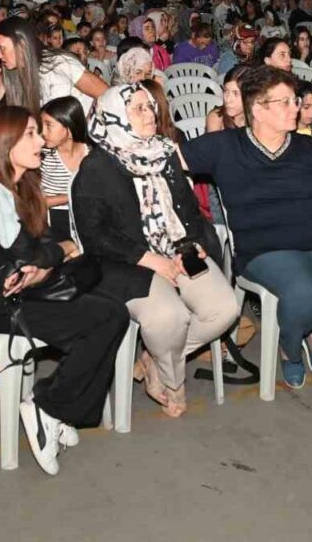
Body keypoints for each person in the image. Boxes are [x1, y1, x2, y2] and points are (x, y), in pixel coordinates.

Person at [0, 106, 129, 475]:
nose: (42, 141)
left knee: (112, 311)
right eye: (30, 134)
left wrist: (49, 257)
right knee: (102, 319)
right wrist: (62, 251)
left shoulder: (22, 184)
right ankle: (47, 406)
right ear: (4, 141)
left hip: (24, 289)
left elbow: (41, 249)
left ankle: (58, 408)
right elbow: (32, 252)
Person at [181, 65, 312, 389]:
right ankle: (291, 351)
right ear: (258, 109)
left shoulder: (308, 147)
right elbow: (167, 163)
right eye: (285, 102)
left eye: (295, 100)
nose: (296, 108)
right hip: (265, 250)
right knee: (306, 294)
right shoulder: (224, 146)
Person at [72, 84, 238, 416]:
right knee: (168, 317)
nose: (150, 114)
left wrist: (192, 244)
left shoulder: (165, 151)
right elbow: (94, 237)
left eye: (150, 107)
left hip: (176, 249)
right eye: (139, 109)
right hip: (125, 263)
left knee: (225, 308)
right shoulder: (95, 169)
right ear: (115, 117)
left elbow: (189, 209)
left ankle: (155, 360)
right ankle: (173, 381)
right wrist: (151, 260)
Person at [0, 17, 107, 114]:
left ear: (21, 45)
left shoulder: (58, 63)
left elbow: (105, 93)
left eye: (2, 48)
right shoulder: (15, 74)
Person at [39, 96, 90, 244]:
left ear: (69, 127)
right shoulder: (43, 157)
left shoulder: (92, 154)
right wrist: (73, 196)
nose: (43, 132)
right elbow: (38, 203)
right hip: (55, 221)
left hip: (87, 218)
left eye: (49, 125)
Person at [206, 64, 248, 133]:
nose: (228, 99)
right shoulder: (217, 118)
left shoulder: (259, 117)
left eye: (236, 93)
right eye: (225, 91)